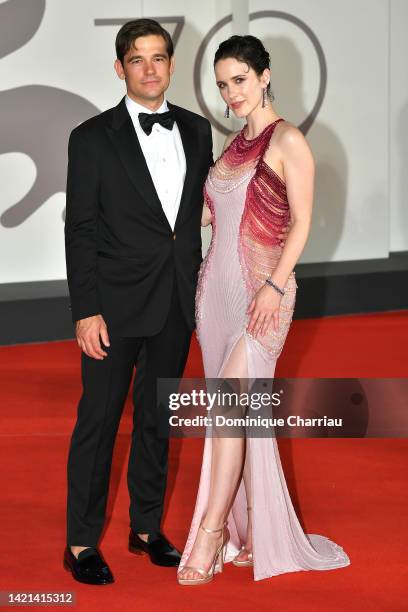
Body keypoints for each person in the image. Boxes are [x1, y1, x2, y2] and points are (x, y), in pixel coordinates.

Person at [177, 35, 350, 585]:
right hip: (215, 296)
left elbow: (301, 222)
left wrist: (274, 286)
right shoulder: (231, 148)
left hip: (263, 294)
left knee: (231, 407)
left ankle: (210, 533)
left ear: (265, 75)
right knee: (236, 417)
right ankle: (247, 531)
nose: (231, 93)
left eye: (241, 80)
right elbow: (208, 219)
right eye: (224, 84)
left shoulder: (289, 140)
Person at [63, 19, 214, 585]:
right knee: (98, 422)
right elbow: (79, 228)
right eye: (137, 59)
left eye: (159, 58)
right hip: (113, 306)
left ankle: (145, 527)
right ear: (120, 67)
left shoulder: (198, 131)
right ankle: (81, 541)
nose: (150, 69)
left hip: (176, 300)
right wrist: (85, 309)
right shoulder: (92, 137)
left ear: (173, 65)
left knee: (158, 419)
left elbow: (196, 216)